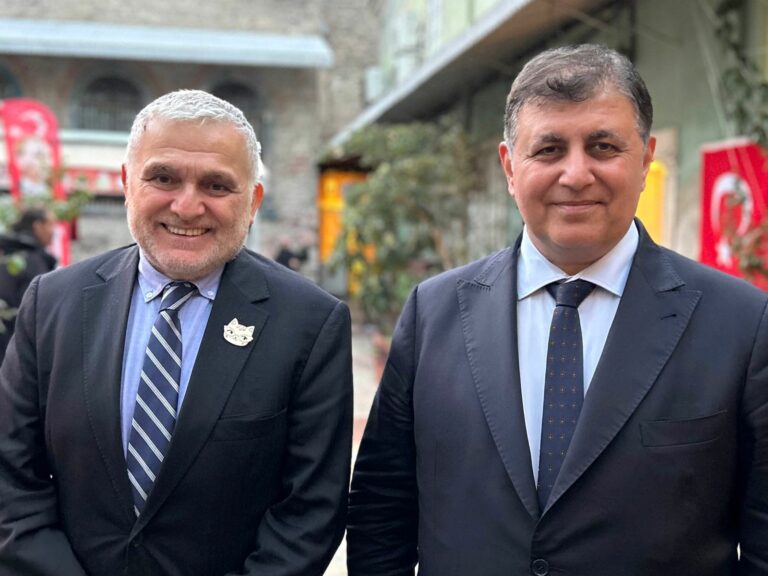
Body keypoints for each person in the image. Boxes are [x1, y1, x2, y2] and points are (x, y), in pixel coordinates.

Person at [347, 44, 768, 576]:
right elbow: (381, 512)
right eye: (548, 149)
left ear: (646, 159)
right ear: (510, 167)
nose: (576, 174)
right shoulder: (433, 314)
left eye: (603, 147)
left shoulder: (741, 324)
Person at [0, 90, 353, 576]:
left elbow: (309, 513)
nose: (187, 206)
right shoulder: (51, 303)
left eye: (216, 185)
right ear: (128, 183)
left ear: (253, 201)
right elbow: (11, 477)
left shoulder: (310, 324)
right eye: (163, 178)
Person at [0, 206, 56, 361]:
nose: (53, 231)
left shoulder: (9, 252)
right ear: (37, 226)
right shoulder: (33, 261)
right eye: (50, 224)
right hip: (13, 348)